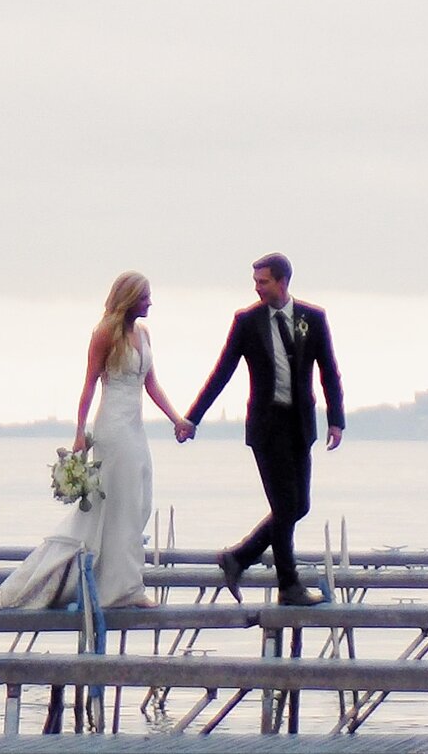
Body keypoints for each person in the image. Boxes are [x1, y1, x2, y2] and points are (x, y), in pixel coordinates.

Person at [0, 271, 188, 610]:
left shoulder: (144, 334)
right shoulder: (104, 334)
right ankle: (125, 589)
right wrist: (79, 432)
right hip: (112, 427)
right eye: (145, 297)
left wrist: (178, 419)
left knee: (138, 501)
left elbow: (151, 384)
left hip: (135, 426)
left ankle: (114, 580)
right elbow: (88, 385)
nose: (150, 303)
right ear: (129, 298)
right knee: (123, 501)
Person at [180, 251, 344, 606]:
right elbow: (221, 373)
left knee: (300, 506)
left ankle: (238, 556)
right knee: (285, 505)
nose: (257, 288)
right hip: (267, 428)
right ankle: (289, 585)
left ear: (282, 282)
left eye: (263, 282)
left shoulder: (312, 319)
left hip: (299, 423)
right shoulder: (247, 322)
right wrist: (193, 418)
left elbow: (328, 369)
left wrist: (336, 420)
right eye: (255, 282)